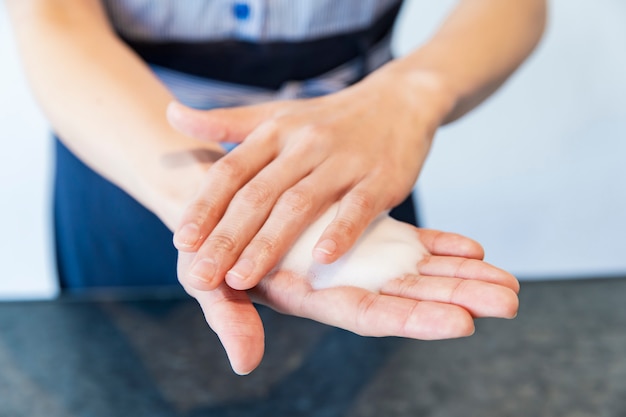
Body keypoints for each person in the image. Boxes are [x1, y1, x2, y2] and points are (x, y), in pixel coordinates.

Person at [6, 0, 545, 374]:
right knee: (123, 387)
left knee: (362, 386)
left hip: (356, 165)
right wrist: (210, 204)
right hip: (128, 146)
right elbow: (52, 16)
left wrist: (414, 95)